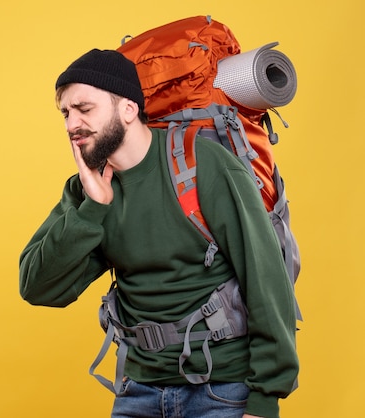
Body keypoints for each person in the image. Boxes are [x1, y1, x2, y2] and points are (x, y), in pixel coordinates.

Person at [18, 49, 298, 418]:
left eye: (85, 109)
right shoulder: (87, 192)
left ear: (128, 110)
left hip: (224, 389)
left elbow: (266, 280)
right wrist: (93, 209)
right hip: (138, 390)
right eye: (66, 113)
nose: (72, 125)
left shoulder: (204, 165)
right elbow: (38, 287)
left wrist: (265, 399)